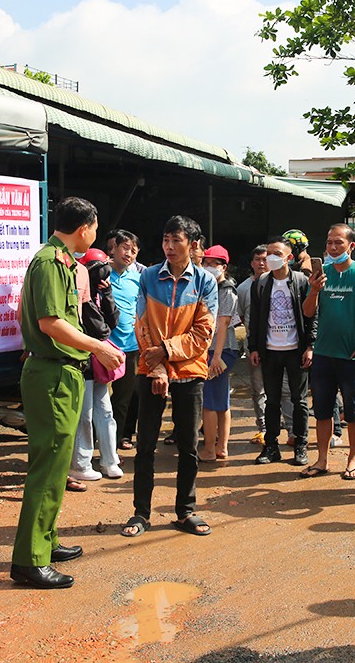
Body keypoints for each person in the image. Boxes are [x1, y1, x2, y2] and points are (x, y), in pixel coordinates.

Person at [8, 197, 123, 589]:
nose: (95, 235)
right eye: (94, 228)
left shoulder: (65, 262)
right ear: (83, 228)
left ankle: (47, 540)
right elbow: (52, 323)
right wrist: (98, 346)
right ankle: (29, 559)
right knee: (48, 466)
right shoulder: (49, 263)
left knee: (59, 467)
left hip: (65, 374)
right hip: (52, 374)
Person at [121, 216, 217, 538]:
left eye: (177, 240)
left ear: (192, 244)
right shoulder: (148, 276)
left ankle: (185, 511)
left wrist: (166, 351)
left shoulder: (206, 282)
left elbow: (204, 333)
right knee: (145, 444)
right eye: (166, 240)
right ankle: (141, 513)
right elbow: (141, 323)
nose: (170, 247)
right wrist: (158, 365)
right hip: (152, 371)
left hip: (190, 372)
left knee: (188, 445)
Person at [300, 224, 355, 480]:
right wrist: (314, 289)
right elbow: (307, 311)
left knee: (354, 410)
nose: (333, 247)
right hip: (323, 354)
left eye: (338, 242)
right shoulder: (321, 273)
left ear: (350, 246)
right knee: (323, 410)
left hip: (351, 355)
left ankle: (353, 458)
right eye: (329, 243)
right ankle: (322, 459)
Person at [248, 236, 316, 466]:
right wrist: (254, 347)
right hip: (270, 351)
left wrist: (310, 346)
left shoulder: (300, 281)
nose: (270, 258)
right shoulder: (262, 283)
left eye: (276, 253)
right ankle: (271, 446)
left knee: (300, 401)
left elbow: (312, 315)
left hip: (295, 350)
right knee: (272, 401)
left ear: (288, 257)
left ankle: (301, 446)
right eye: (268, 253)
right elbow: (255, 318)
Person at [69, 249, 123, 482]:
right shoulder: (79, 291)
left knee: (105, 412)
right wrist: (89, 297)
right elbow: (98, 328)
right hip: (82, 359)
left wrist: (107, 294)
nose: (103, 276)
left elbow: (112, 322)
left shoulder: (101, 292)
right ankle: (81, 463)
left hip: (99, 362)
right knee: (85, 414)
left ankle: (110, 460)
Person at [237, 245, 285, 443]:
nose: (262, 263)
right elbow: (241, 316)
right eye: (258, 259)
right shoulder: (243, 289)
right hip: (255, 346)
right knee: (258, 389)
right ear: (252, 263)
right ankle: (263, 428)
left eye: (266, 259)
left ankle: (287, 427)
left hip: (280, 345)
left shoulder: (282, 284)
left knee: (283, 388)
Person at [199, 244, 239, 462]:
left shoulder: (226, 290)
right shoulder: (213, 288)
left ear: (224, 266)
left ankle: (209, 449)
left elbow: (222, 325)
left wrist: (215, 357)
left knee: (210, 402)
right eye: (207, 262)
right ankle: (221, 447)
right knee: (221, 400)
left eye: (215, 263)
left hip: (219, 350)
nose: (210, 266)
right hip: (220, 350)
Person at [106, 230, 143, 452]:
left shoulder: (138, 279)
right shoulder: (99, 273)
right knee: (95, 401)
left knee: (122, 400)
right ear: (113, 248)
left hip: (129, 348)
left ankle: (113, 446)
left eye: (133, 250)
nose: (129, 254)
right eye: (125, 248)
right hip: (101, 347)